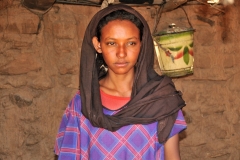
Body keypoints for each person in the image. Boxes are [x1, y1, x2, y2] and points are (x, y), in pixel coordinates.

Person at [54, 4, 187, 160]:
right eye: (111, 43)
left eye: (131, 43)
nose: (121, 53)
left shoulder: (161, 100)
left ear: (142, 44)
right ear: (98, 45)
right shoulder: (83, 104)